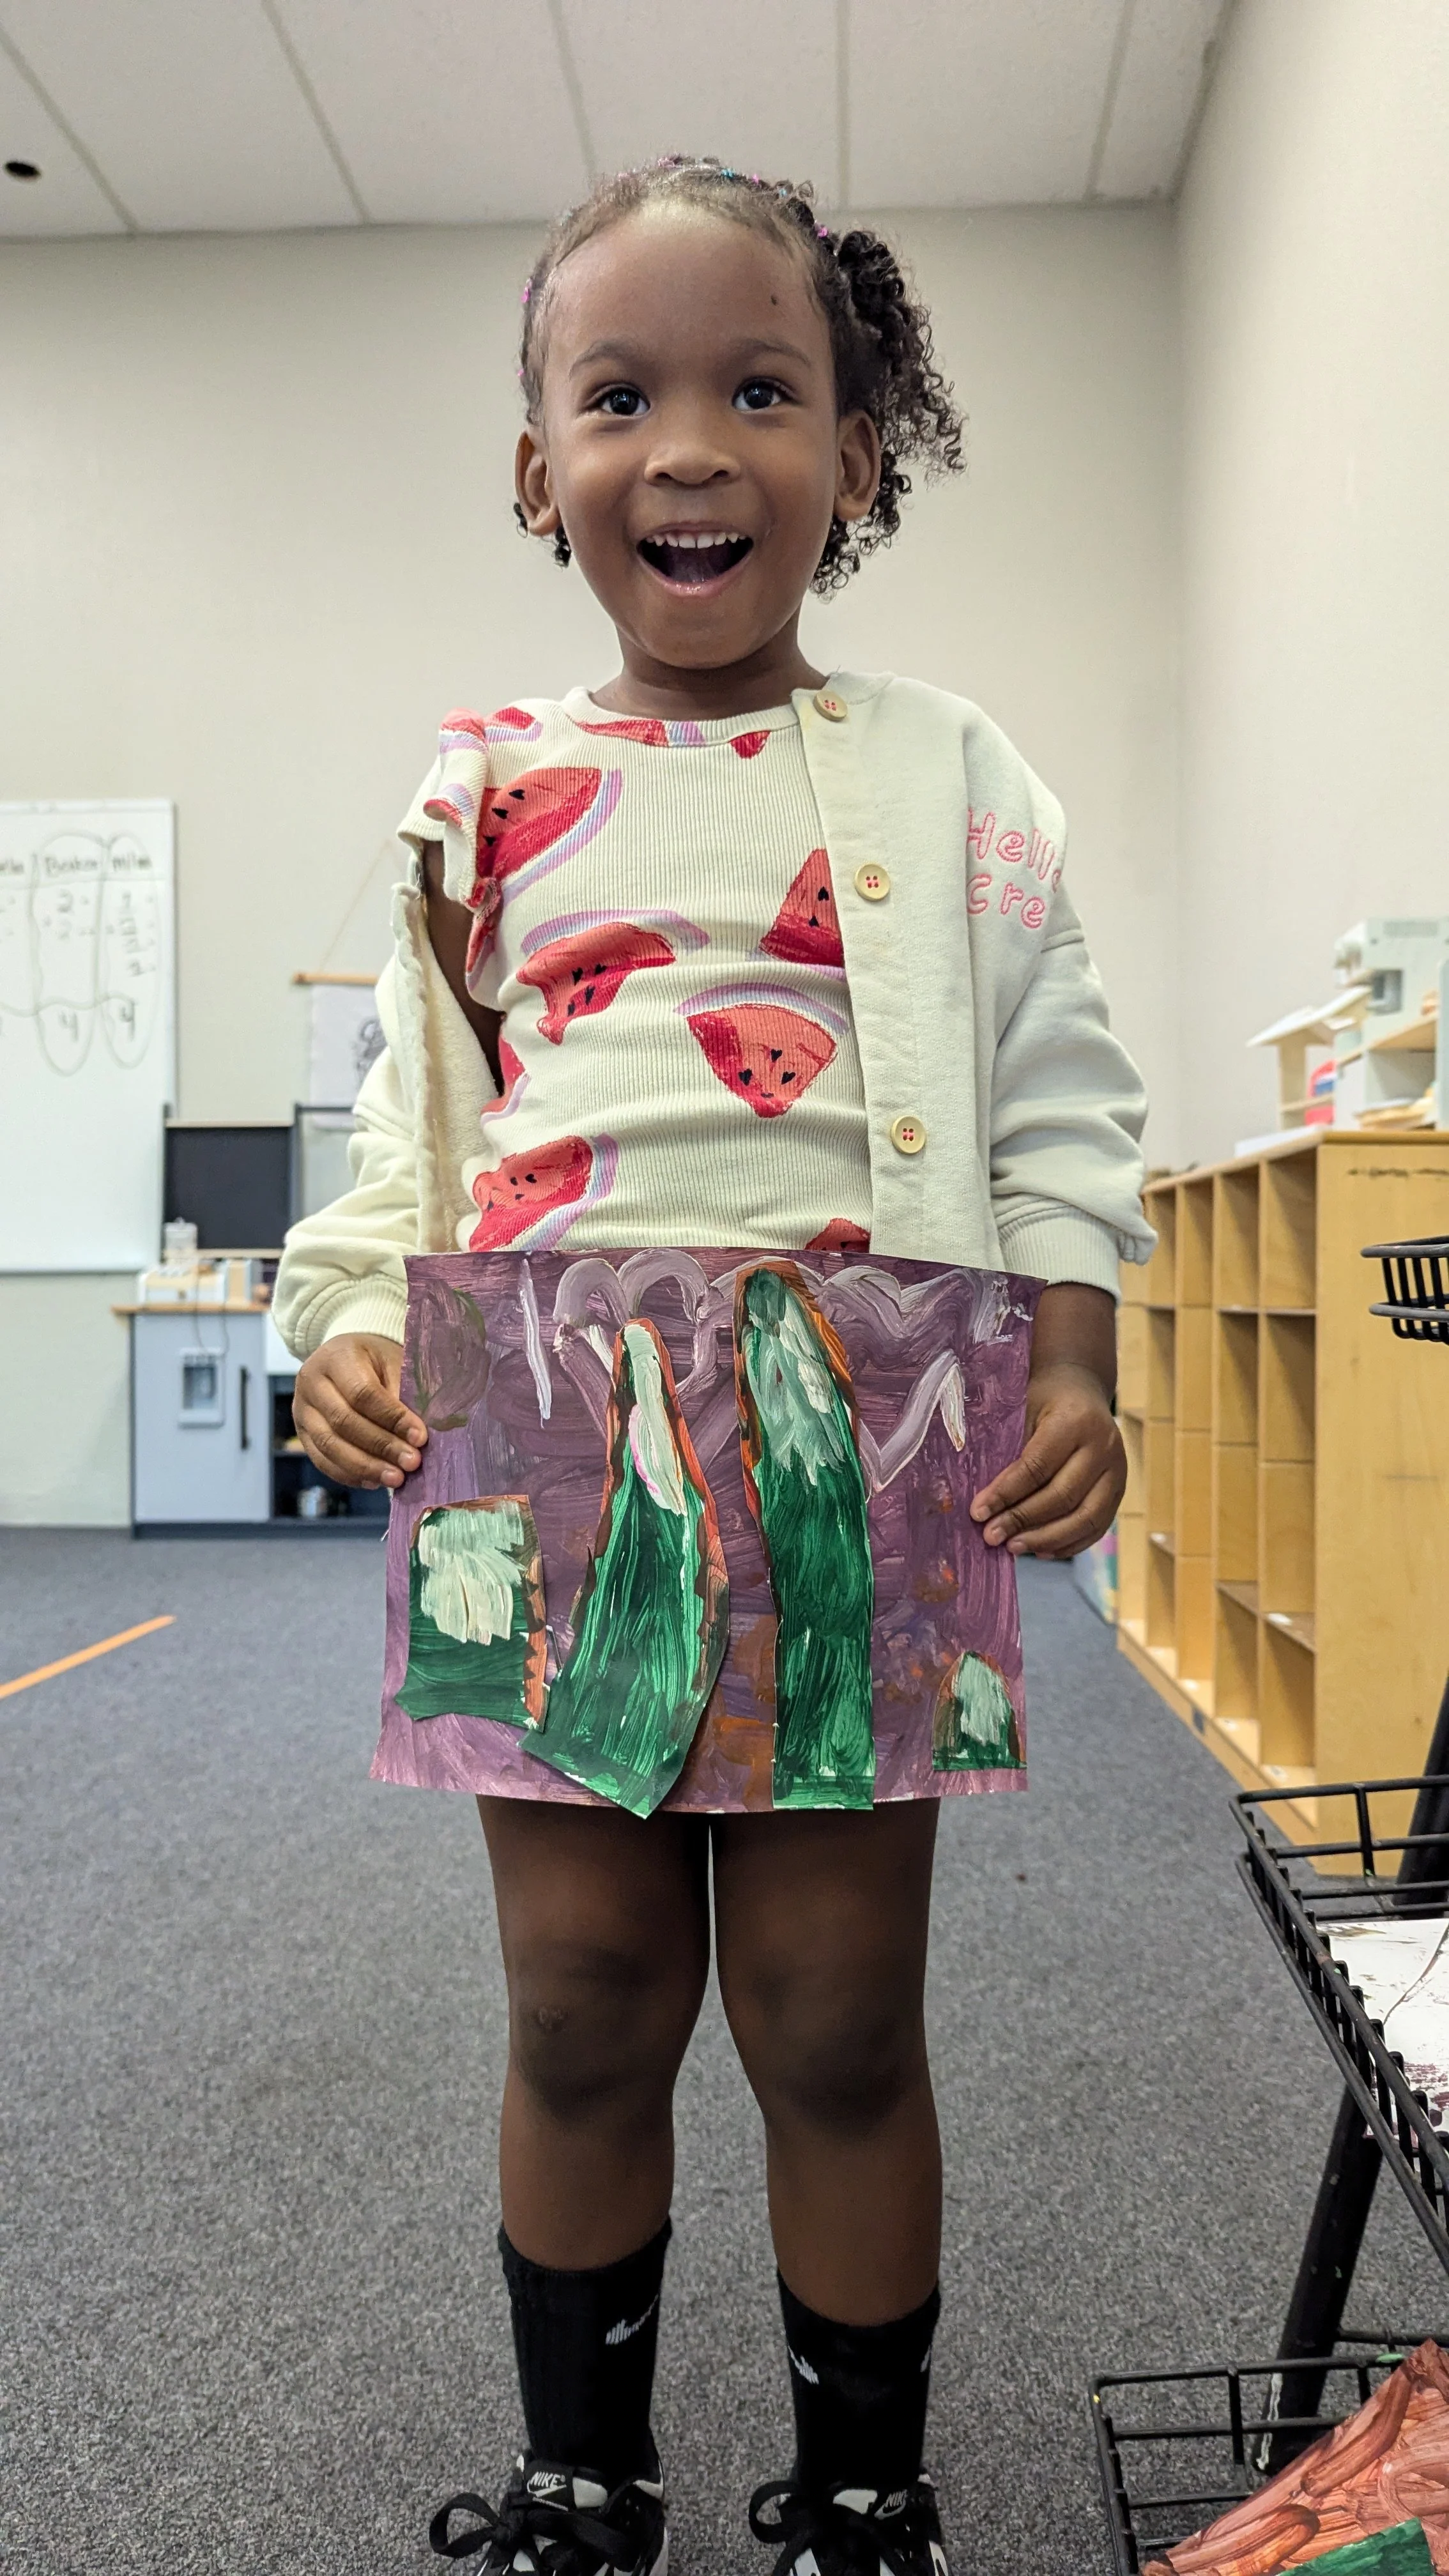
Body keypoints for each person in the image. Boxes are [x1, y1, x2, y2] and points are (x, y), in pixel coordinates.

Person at [276, 156, 1152, 2576]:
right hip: (530, 1432)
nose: (691, 444)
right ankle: (588, 2475)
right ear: (536, 464)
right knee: (575, 1999)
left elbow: (1062, 1097)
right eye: (620, 393)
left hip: (871, 1433)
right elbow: (403, 1134)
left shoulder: (951, 778)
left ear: (859, 455)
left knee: (834, 2016)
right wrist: (353, 1325)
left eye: (763, 392)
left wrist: (1072, 1364)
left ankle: (862, 2498)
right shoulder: (472, 796)